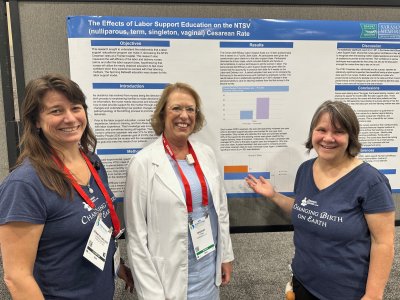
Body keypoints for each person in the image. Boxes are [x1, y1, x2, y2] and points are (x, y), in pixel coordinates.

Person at [0, 74, 134, 299]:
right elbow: (16, 276)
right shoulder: (25, 185)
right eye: (56, 111)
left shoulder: (93, 163)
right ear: (35, 121)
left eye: (76, 107)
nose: (70, 118)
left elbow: (92, 228)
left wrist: (117, 265)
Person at [246, 100, 395, 300]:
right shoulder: (306, 169)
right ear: (312, 133)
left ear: (351, 136)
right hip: (303, 283)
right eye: (321, 130)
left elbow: (383, 243)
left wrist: (374, 295)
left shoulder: (371, 182)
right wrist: (274, 195)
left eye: (338, 131)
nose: (328, 138)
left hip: (347, 292)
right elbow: (306, 210)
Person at [124, 82, 234, 300]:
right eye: (176, 108)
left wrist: (226, 255)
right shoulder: (143, 163)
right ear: (163, 113)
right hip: (167, 281)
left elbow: (220, 209)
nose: (184, 115)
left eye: (190, 109)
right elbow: (136, 236)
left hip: (207, 269)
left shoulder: (206, 154)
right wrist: (152, 294)